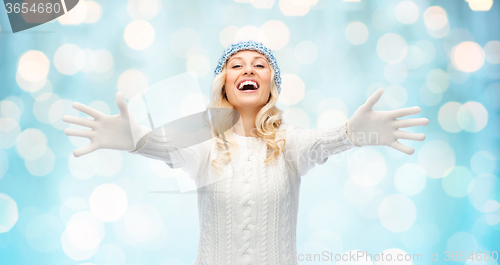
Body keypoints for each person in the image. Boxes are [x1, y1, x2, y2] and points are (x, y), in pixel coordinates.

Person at [62, 40, 429, 265]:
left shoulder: (288, 141)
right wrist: (135, 137)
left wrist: (354, 132)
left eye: (259, 65)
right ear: (224, 82)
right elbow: (165, 143)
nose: (247, 70)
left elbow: (326, 140)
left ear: (271, 83)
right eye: (236, 65)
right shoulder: (204, 137)